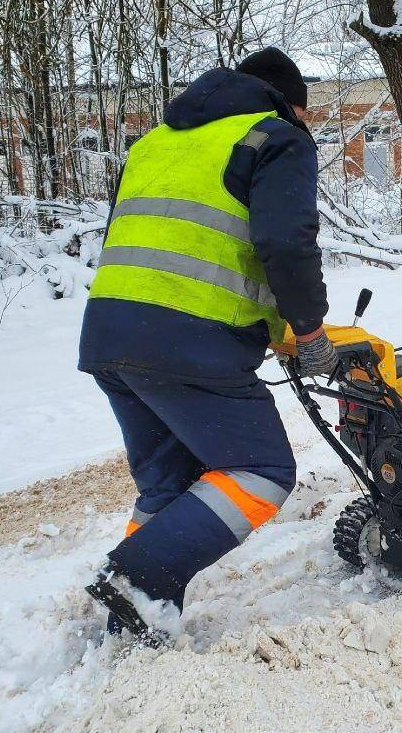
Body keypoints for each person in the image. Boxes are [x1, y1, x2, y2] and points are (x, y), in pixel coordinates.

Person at [78, 47, 337, 638]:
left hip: (109, 329)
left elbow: (180, 242)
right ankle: (135, 580)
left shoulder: (155, 142)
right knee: (261, 470)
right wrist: (309, 331)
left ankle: (127, 625)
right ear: (291, 105)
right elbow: (284, 243)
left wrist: (268, 330)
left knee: (168, 484)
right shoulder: (275, 138)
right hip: (188, 340)